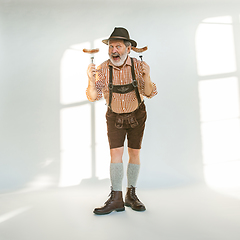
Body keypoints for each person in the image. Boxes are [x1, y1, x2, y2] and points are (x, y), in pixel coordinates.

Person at [86, 27, 157, 215]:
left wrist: (147, 76)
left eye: (117, 46)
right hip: (114, 116)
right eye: (110, 46)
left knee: (134, 153)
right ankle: (116, 197)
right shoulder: (102, 68)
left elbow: (149, 93)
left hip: (137, 115)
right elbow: (93, 97)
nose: (113, 50)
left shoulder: (138, 66)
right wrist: (90, 80)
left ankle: (131, 194)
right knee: (115, 155)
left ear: (128, 49)